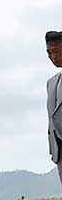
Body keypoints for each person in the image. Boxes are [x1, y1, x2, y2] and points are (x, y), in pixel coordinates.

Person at [45, 30, 62, 184]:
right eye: (49, 52)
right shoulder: (51, 83)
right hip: (59, 152)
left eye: (56, 51)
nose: (52, 57)